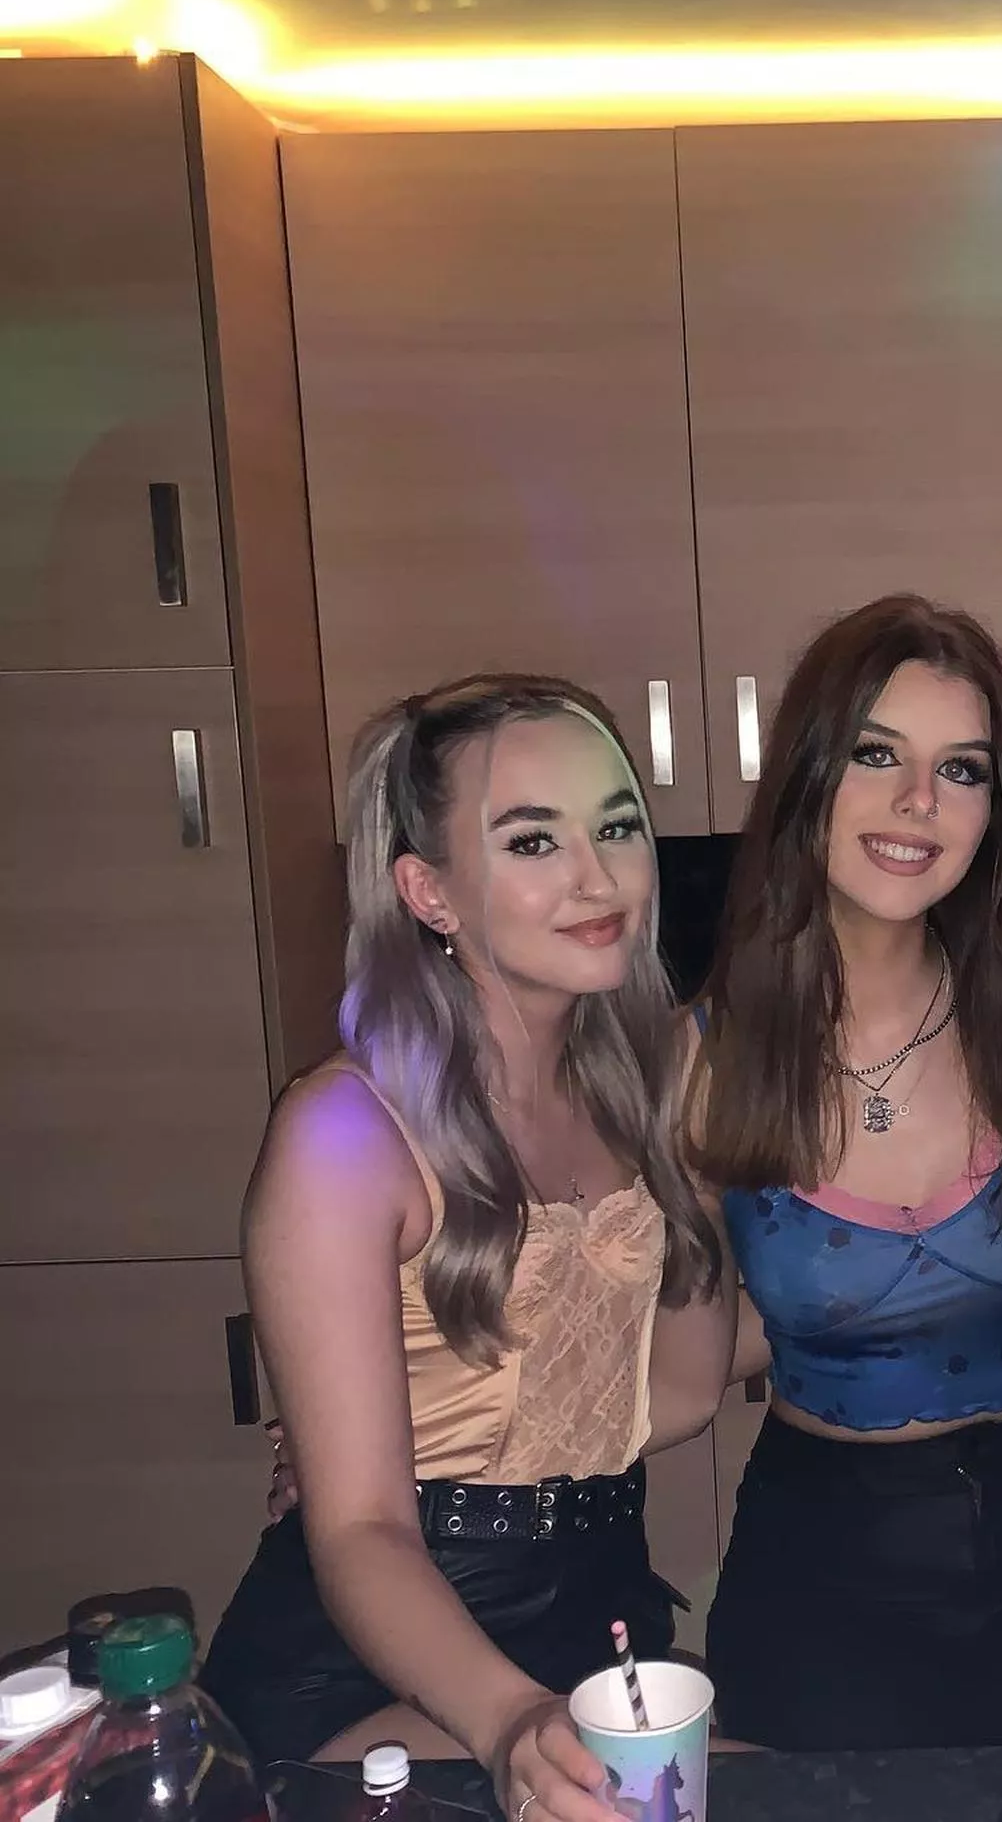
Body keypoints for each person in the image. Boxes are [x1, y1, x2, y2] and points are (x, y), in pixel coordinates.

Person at [201, 675, 733, 1822]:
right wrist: (506, 1717)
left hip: (596, 1612)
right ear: (428, 890)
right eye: (533, 839)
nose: (598, 876)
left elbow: (681, 1393)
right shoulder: (346, 1130)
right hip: (384, 1655)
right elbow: (360, 1526)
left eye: (617, 826)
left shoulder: (655, 1087)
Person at [689, 594, 1002, 1750]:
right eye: (876, 754)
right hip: (824, 1559)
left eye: (962, 769)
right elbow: (676, 1355)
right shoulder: (704, 1057)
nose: (920, 801)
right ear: (807, 773)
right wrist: (448, 1426)